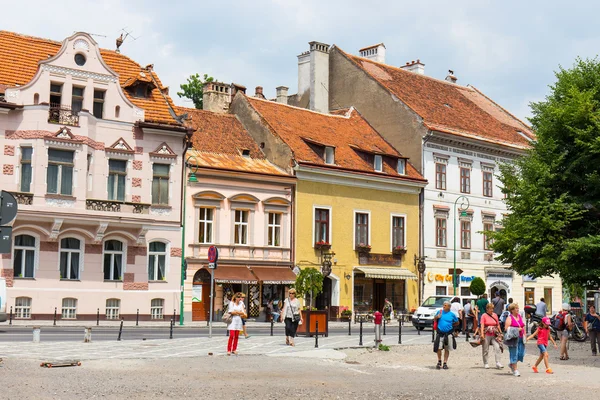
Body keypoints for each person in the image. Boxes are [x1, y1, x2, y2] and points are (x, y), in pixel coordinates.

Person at [433, 301, 459, 370]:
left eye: (445, 305)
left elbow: (457, 322)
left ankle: (445, 362)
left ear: (449, 307)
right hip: (440, 333)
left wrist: (451, 325)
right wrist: (436, 317)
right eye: (443, 305)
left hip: (448, 334)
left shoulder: (452, 314)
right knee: (438, 348)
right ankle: (439, 361)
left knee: (447, 349)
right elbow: (434, 319)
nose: (444, 306)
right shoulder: (440, 312)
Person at [504, 302, 525, 377]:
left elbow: (523, 326)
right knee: (514, 354)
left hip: (521, 337)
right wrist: (516, 330)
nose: (518, 309)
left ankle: (511, 364)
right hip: (513, 339)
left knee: (521, 354)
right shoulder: (509, 318)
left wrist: (524, 334)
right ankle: (515, 370)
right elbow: (506, 329)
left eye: (518, 308)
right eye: (516, 308)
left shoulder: (519, 316)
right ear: (512, 310)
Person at [480, 303, 503, 369]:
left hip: (494, 334)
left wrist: (500, 332)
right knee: (485, 349)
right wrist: (482, 334)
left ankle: (498, 362)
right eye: (490, 309)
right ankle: (486, 363)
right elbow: (482, 325)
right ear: (487, 309)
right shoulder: (484, 315)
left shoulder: (495, 315)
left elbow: (498, 324)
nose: (492, 310)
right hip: (486, 333)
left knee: (497, 347)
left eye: (493, 308)